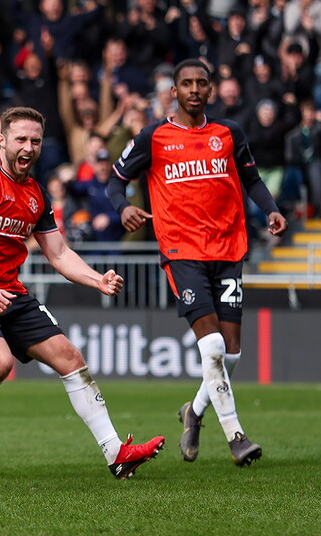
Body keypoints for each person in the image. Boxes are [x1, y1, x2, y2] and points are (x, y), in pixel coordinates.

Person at [0, 106, 165, 479]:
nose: (28, 147)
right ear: (2, 140)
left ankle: (116, 453)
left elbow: (58, 253)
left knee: (70, 358)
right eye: (21, 139)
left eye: (35, 141)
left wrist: (96, 280)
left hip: (8, 287)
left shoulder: (36, 194)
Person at [107, 59, 288, 467]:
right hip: (182, 251)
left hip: (228, 250)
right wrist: (122, 209)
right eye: (185, 83)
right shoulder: (154, 137)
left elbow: (251, 179)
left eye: (201, 83)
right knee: (211, 347)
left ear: (210, 90)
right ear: (174, 91)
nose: (193, 89)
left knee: (232, 354)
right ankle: (236, 437)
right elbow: (115, 180)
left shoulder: (228, 133)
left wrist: (271, 210)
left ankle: (194, 412)